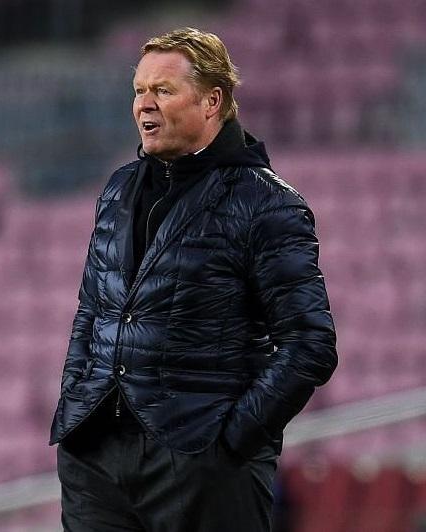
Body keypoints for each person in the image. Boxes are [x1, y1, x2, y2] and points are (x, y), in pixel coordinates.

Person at [49, 27, 337, 532]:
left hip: (202, 462)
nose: (145, 104)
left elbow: (310, 343)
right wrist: (75, 398)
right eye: (139, 90)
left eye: (163, 90)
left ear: (212, 101)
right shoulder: (118, 189)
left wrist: (230, 443)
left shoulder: (268, 203)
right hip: (96, 459)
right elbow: (91, 312)